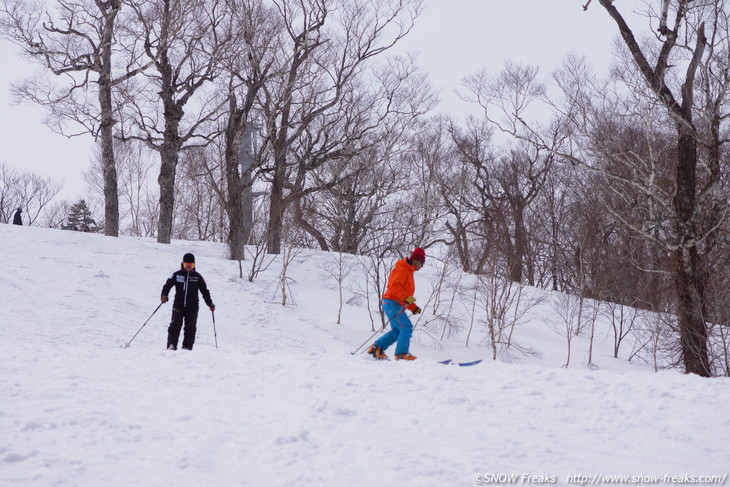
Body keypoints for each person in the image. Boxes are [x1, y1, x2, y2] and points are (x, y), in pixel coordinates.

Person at [367, 247, 426, 361]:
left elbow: (404, 295)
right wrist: (407, 301)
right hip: (391, 303)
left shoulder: (408, 271)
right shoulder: (403, 269)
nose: (422, 266)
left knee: (397, 331)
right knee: (406, 327)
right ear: (416, 260)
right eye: (422, 263)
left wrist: (413, 307)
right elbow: (395, 288)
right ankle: (402, 354)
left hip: (395, 304)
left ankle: (377, 348)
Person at [161, 253, 215, 350]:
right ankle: (171, 346)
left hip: (192, 307)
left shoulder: (197, 277)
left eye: (191, 265)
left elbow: (205, 291)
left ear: (194, 265)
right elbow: (167, 285)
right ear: (183, 264)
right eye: (187, 265)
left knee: (190, 328)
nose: (189, 267)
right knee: (175, 326)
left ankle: (187, 348)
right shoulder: (176, 275)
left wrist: (210, 303)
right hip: (178, 305)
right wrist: (164, 295)